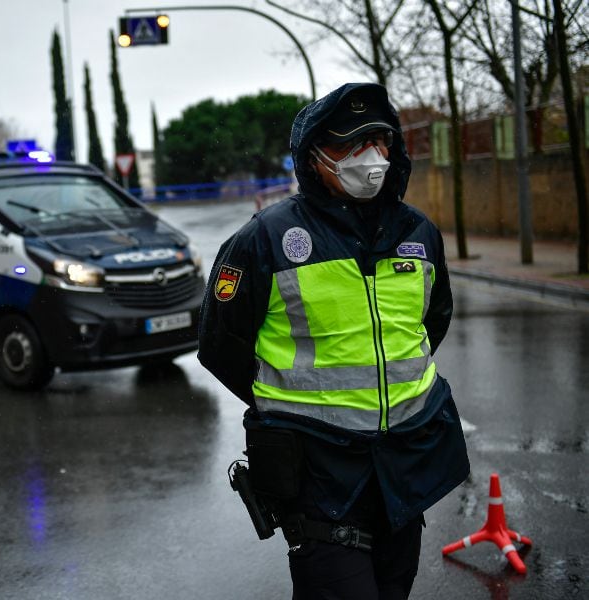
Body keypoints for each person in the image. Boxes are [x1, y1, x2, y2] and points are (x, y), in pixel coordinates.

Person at [198, 82, 470, 599]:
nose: (369, 157)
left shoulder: (420, 232)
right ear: (315, 157)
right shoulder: (266, 238)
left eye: (379, 141)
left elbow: (431, 323)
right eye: (349, 145)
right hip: (319, 478)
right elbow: (220, 345)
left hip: (403, 468)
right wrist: (286, 405)